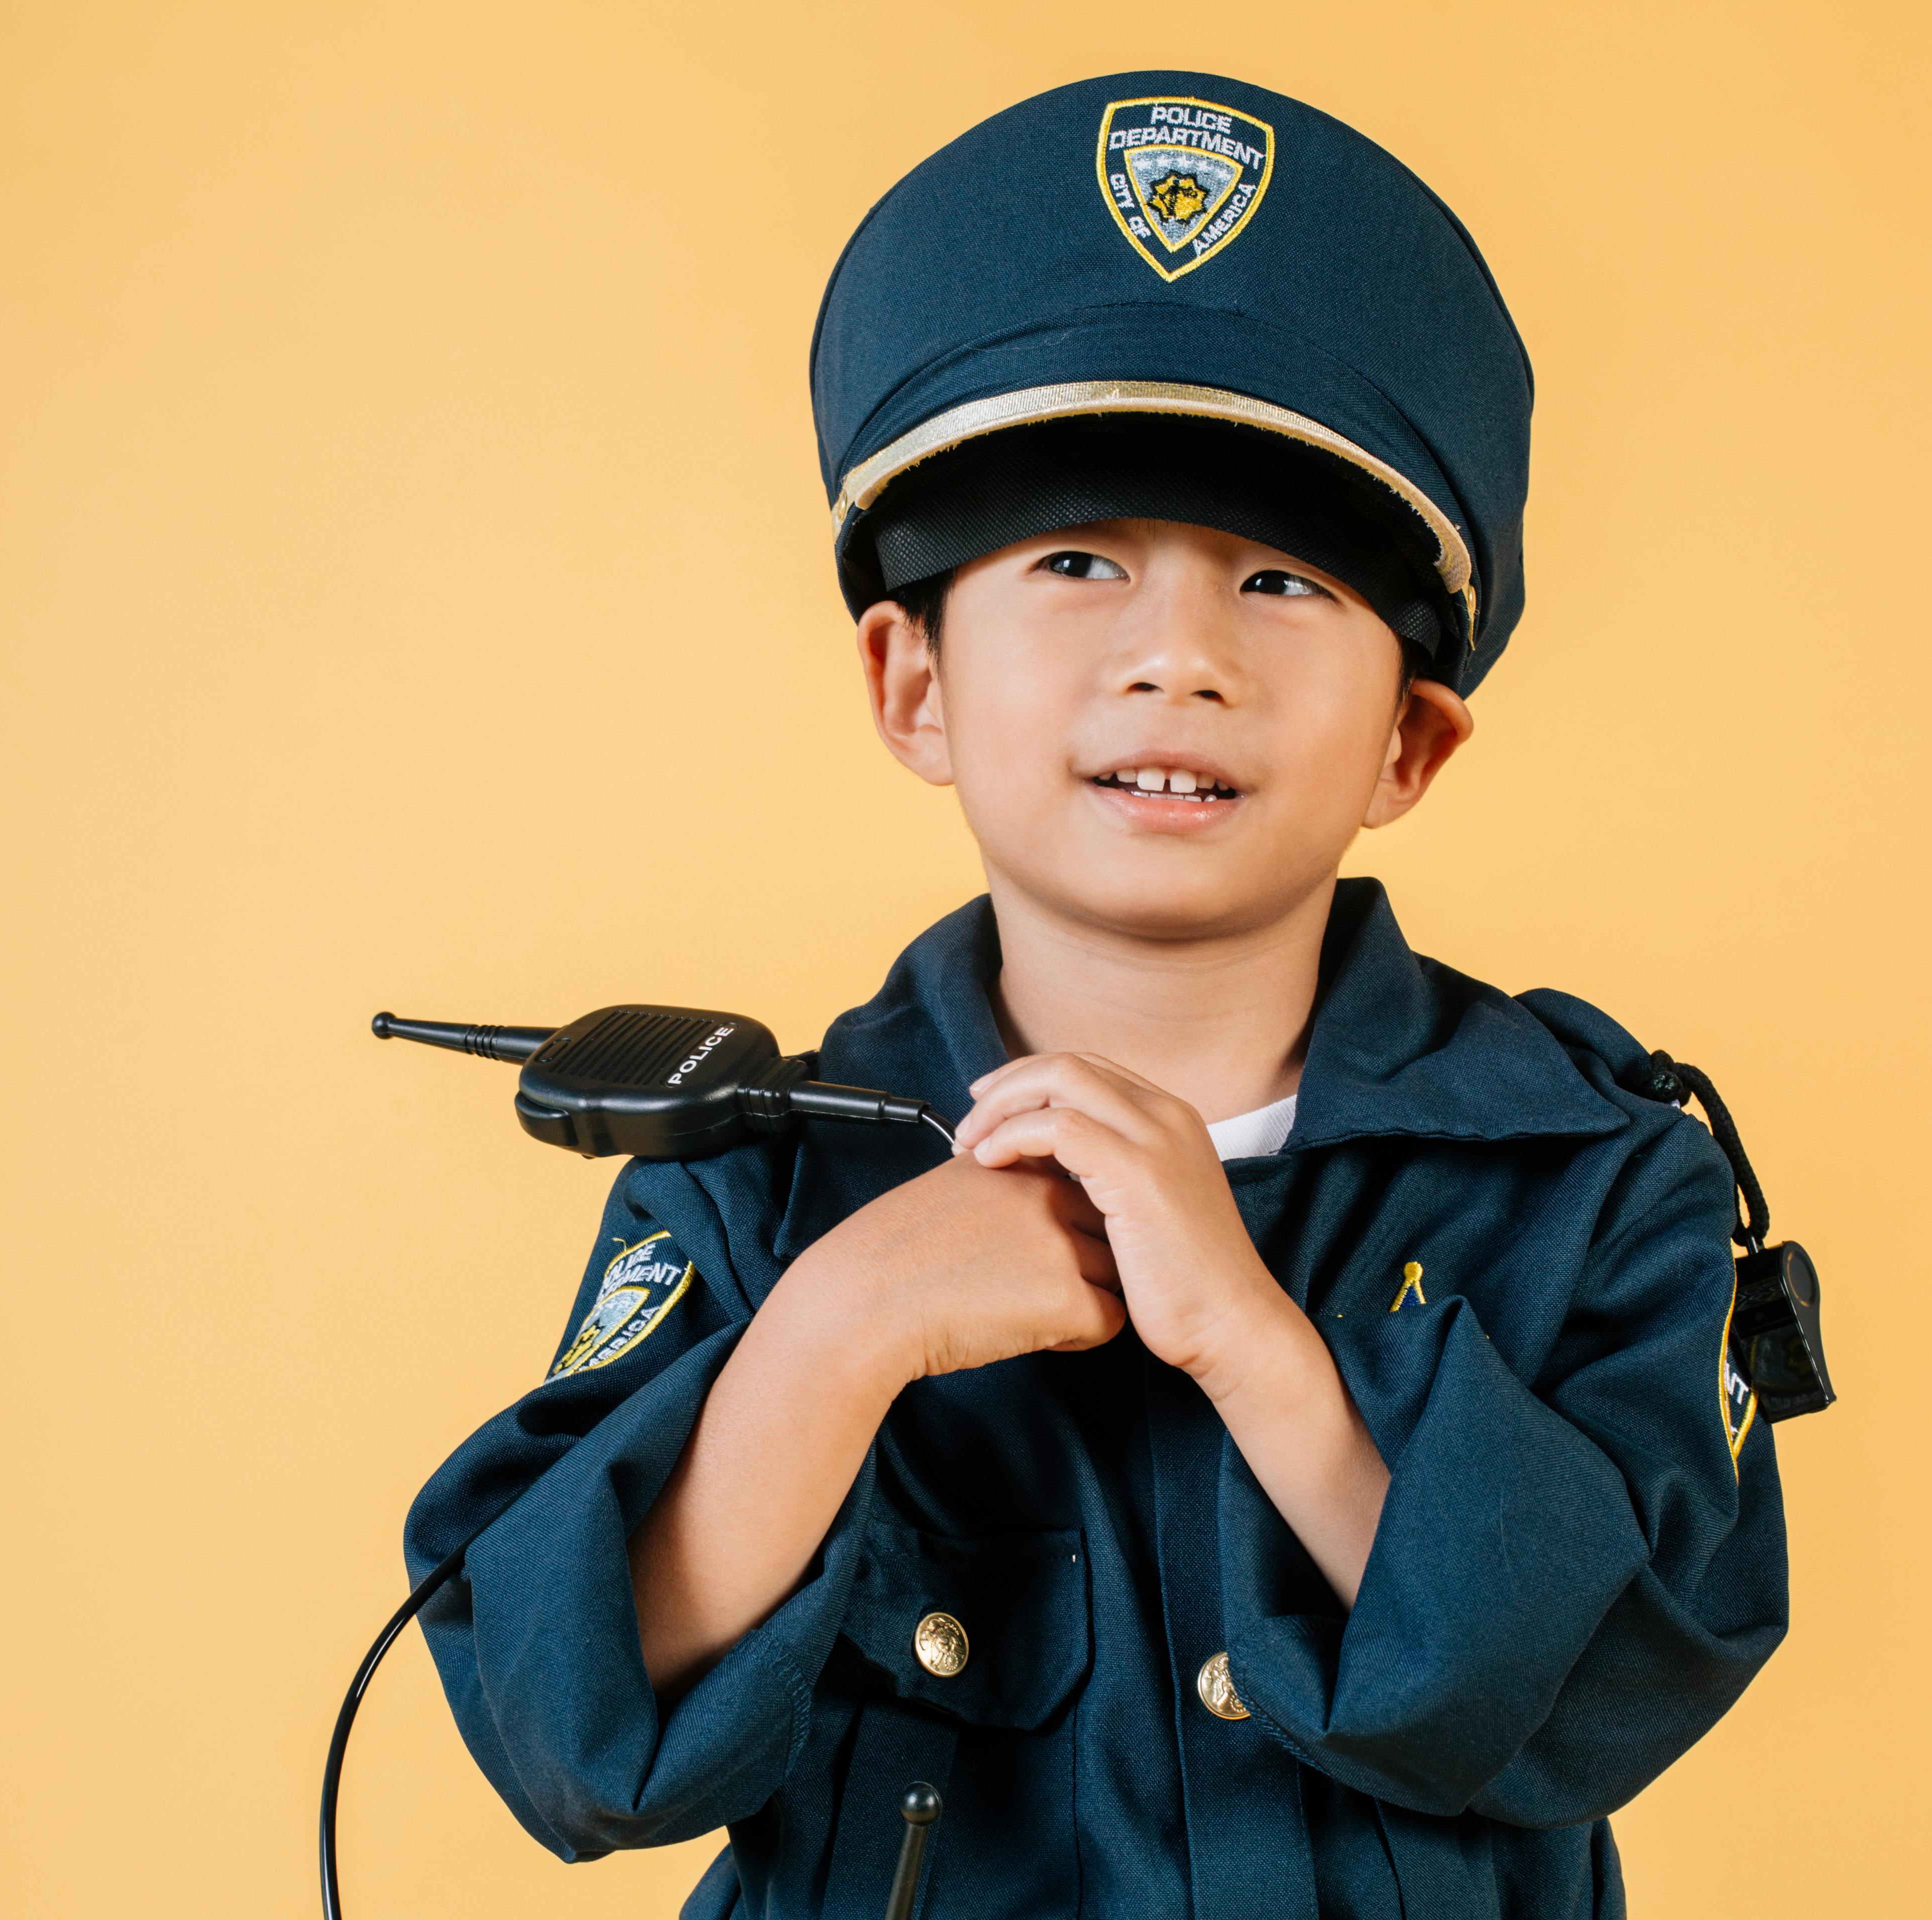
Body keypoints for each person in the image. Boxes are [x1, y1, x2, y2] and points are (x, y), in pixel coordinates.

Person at [406, 69, 1787, 1920]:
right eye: (1075, 562)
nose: (1178, 660)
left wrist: (1257, 1342)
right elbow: (564, 1728)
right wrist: (834, 1334)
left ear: (1412, 740)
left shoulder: (1594, 1180)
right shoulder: (761, 1192)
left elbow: (1626, 1674)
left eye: (1285, 581)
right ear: (912, 685)